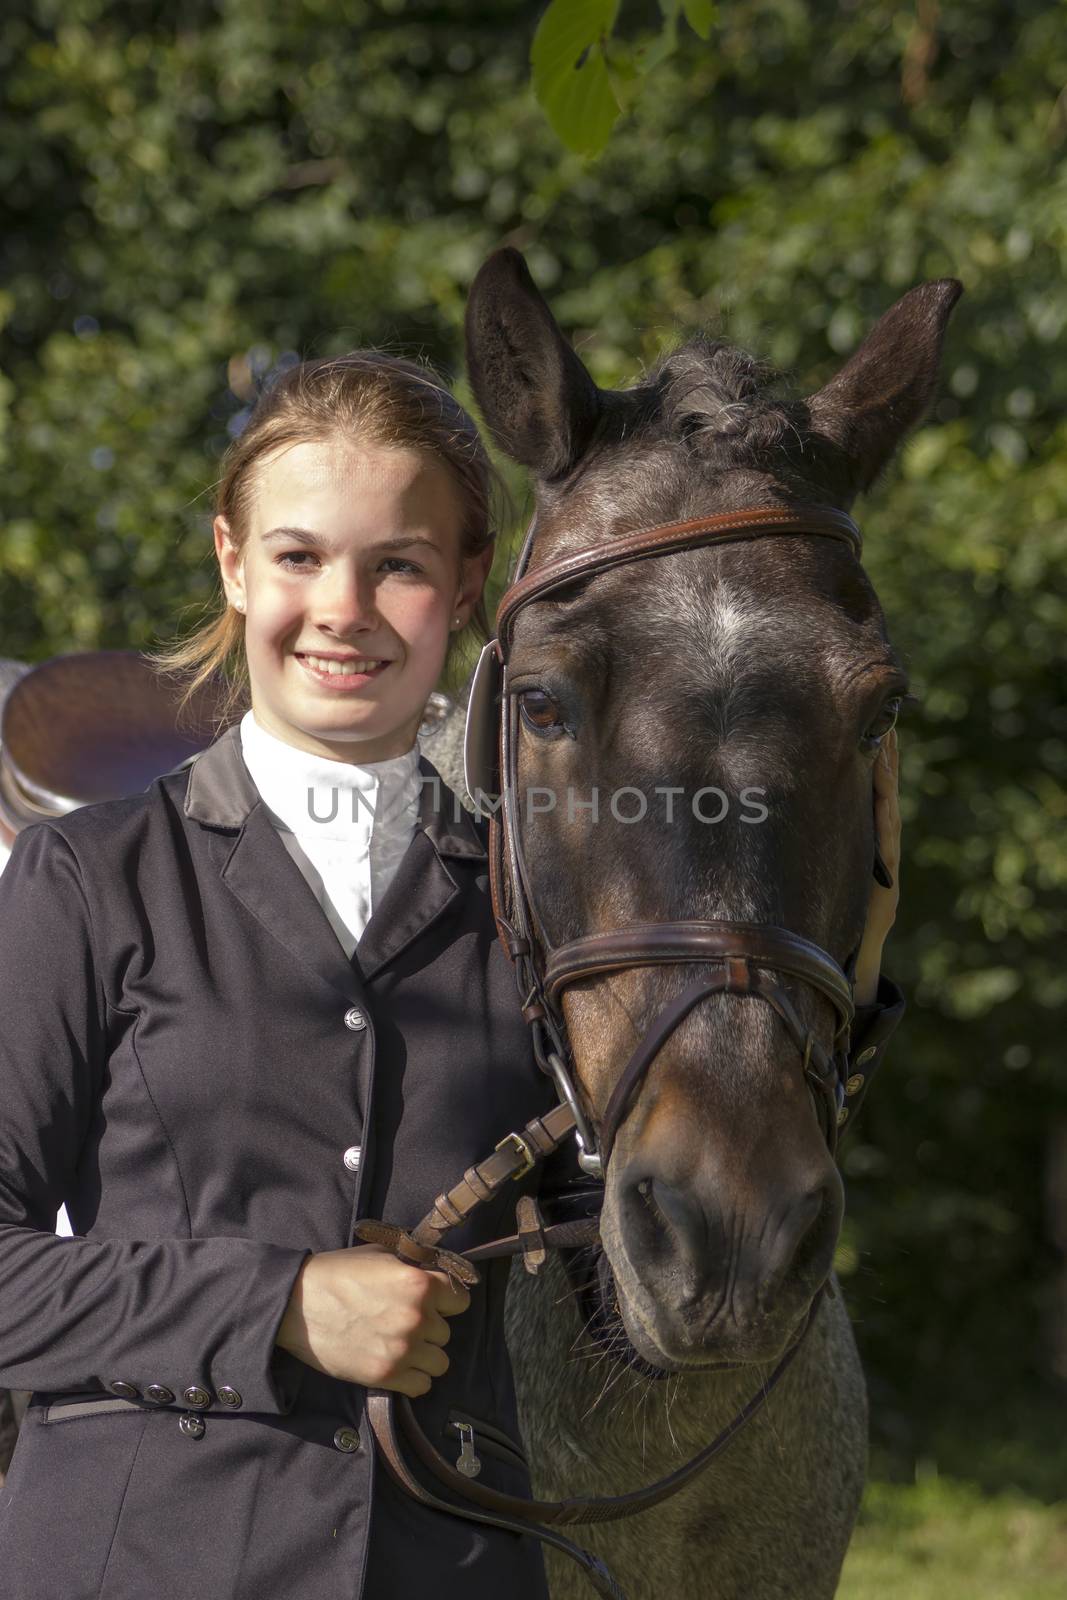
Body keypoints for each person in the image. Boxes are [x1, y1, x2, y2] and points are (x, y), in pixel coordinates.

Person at [0, 351, 904, 1592]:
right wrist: (275, 1305)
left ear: (470, 584)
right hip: (138, 1552)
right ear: (231, 562)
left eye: (400, 566)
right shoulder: (84, 878)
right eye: (299, 556)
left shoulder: (544, 905)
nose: (344, 608)